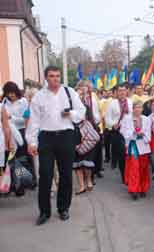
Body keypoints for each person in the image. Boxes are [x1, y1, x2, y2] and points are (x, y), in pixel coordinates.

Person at [26, 66, 86, 225]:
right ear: (46, 78)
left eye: (58, 76)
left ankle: (63, 208)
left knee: (66, 174)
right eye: (52, 76)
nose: (55, 79)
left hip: (66, 136)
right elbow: (34, 121)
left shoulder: (69, 92)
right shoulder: (39, 97)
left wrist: (70, 114)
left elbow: (81, 112)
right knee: (45, 174)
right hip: (46, 137)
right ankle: (44, 212)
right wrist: (31, 141)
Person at [120, 101, 151, 200]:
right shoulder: (127, 119)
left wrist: (143, 135)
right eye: (136, 107)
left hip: (143, 145)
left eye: (140, 107)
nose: (138, 109)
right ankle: (134, 189)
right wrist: (133, 132)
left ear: (142, 109)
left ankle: (142, 188)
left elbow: (148, 133)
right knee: (134, 168)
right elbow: (122, 131)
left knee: (143, 168)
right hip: (133, 145)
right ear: (133, 108)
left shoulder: (146, 119)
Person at [105, 84, 132, 182]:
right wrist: (113, 124)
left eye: (124, 90)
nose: (122, 93)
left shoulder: (130, 102)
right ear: (117, 92)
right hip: (118, 132)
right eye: (120, 91)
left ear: (127, 91)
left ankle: (131, 174)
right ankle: (124, 176)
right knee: (122, 155)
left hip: (129, 132)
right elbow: (107, 118)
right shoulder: (112, 103)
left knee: (130, 154)